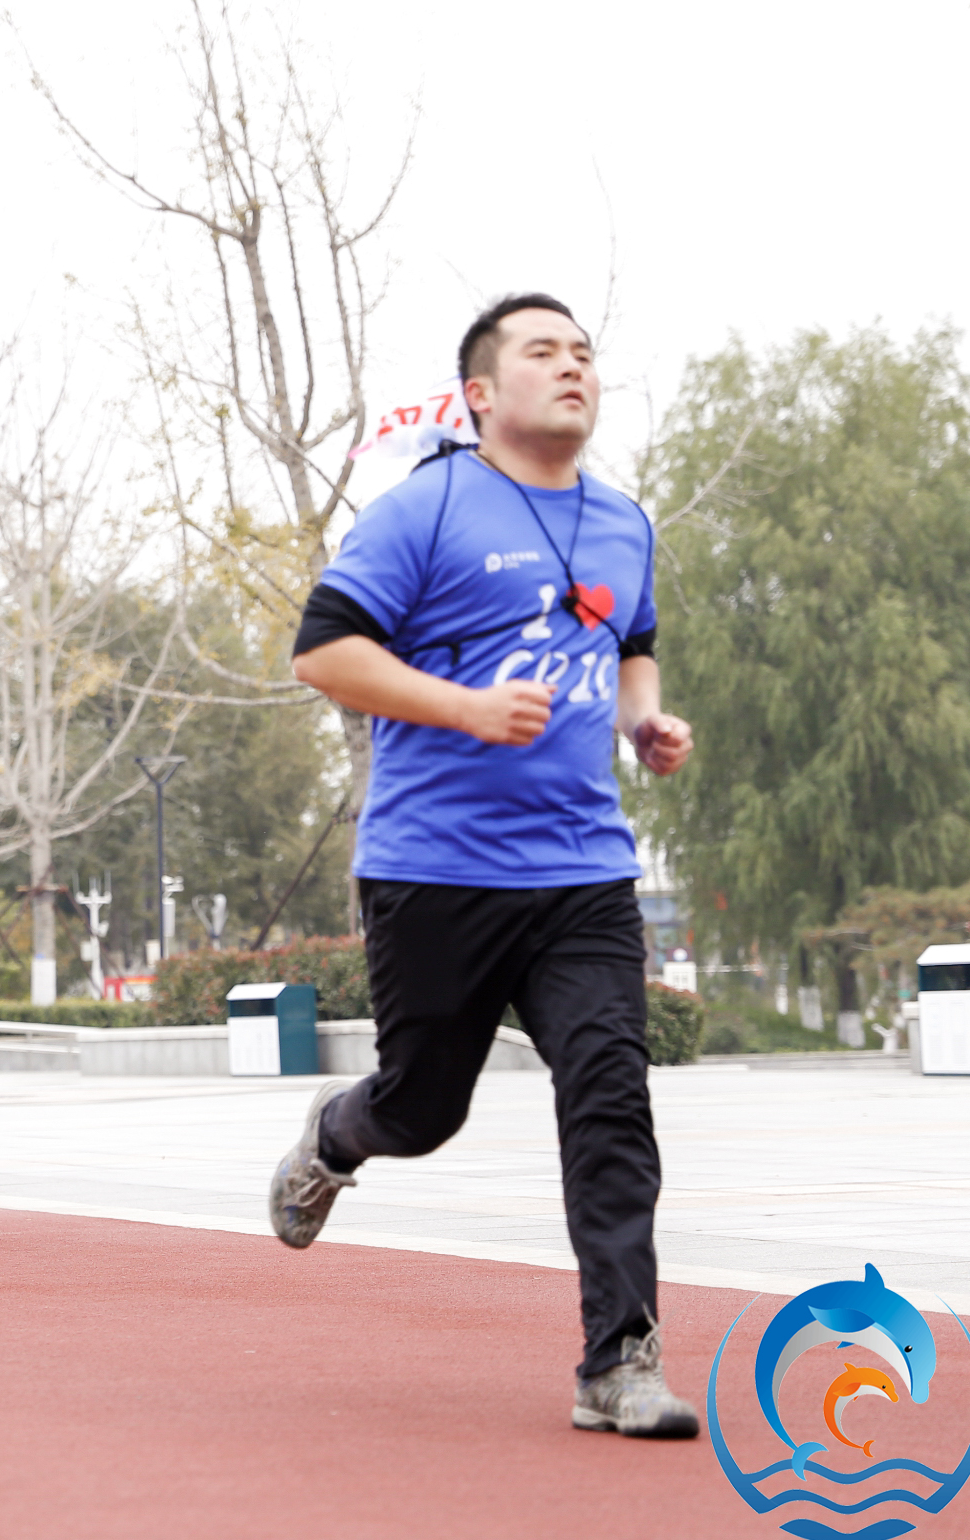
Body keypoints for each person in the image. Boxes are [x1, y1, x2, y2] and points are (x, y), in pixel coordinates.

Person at [273, 292, 699, 1440]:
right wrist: (464, 707)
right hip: (435, 868)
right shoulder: (423, 507)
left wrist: (642, 722)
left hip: (582, 869)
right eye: (541, 351)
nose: (571, 367)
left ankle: (618, 1357)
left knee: (610, 1092)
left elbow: (633, 644)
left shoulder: (623, 521)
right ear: (478, 391)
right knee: (423, 1108)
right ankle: (337, 1135)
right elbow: (322, 652)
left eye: (583, 353)